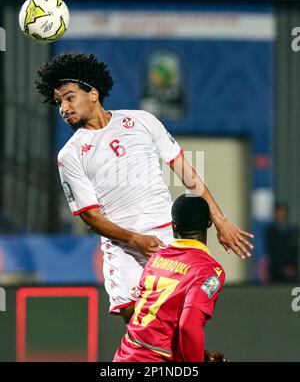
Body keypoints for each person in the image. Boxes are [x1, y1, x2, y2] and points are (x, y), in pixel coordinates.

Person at [36, 53, 253, 323]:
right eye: (59, 103)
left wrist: (219, 219)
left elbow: (186, 171)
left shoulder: (141, 121)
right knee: (136, 319)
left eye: (69, 97)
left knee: (184, 315)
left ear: (93, 93)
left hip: (167, 239)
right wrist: (133, 239)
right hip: (123, 247)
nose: (64, 108)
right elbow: (90, 217)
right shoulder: (70, 154)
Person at [113, 194, 226, 362]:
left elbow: (153, 319)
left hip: (125, 356)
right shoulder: (210, 271)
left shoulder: (156, 259)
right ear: (209, 223)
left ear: (173, 227)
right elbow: (189, 326)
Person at [265, 202, 299, 283]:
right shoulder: (271, 233)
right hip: (275, 273)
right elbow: (273, 252)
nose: (280, 215)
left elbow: (295, 251)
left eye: (282, 212)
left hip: (292, 272)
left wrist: (291, 267)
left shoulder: (294, 232)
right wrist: (282, 268)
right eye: (278, 212)